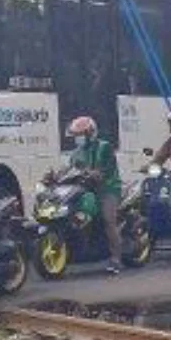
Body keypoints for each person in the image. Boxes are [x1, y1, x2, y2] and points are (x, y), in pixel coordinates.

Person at [59, 116, 126, 273]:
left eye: (80, 135)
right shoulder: (76, 153)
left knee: (108, 220)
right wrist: (55, 176)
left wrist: (95, 174)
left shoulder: (105, 147)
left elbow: (107, 170)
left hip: (107, 189)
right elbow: (69, 170)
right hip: (85, 189)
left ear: (90, 134)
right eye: (75, 135)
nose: (77, 138)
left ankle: (116, 259)